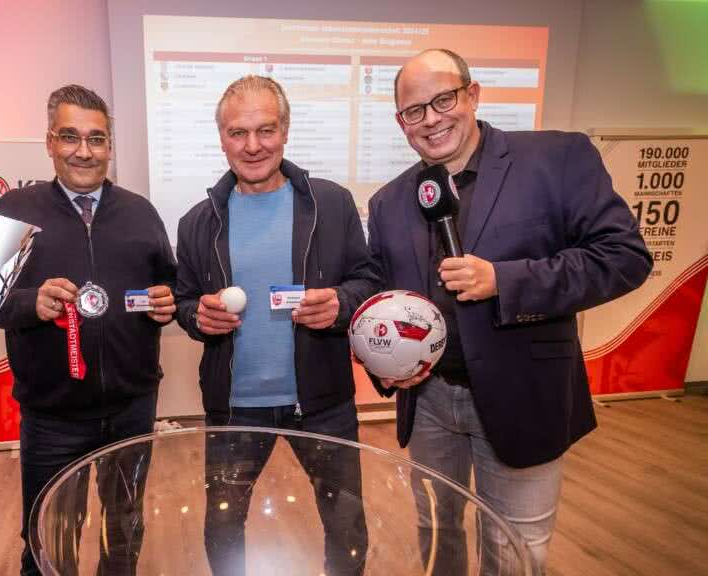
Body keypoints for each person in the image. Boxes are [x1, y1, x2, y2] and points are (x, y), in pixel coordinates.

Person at [364, 49, 652, 574]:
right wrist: (383, 357)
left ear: (472, 96)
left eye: (443, 99)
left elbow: (624, 257)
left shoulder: (557, 159)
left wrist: (505, 280)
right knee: (436, 533)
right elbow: (383, 294)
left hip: (524, 395)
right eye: (413, 111)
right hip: (427, 402)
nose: (431, 119)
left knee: (515, 549)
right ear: (401, 122)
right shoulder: (388, 202)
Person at [174, 75, 371, 575]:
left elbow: (367, 279)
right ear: (221, 137)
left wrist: (343, 304)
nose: (253, 145)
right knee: (223, 529)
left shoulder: (332, 202)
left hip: (322, 403)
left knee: (345, 526)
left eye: (265, 129)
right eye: (238, 133)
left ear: (285, 130)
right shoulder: (198, 220)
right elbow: (183, 300)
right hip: (235, 406)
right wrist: (197, 314)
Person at [0, 84, 177, 576]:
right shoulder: (14, 209)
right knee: (49, 536)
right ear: (50, 141)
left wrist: (167, 303)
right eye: (70, 136)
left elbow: (170, 287)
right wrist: (33, 302)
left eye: (96, 139)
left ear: (110, 146)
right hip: (53, 414)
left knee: (125, 529)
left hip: (132, 407)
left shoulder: (141, 212)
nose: (84, 151)